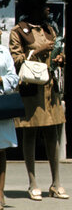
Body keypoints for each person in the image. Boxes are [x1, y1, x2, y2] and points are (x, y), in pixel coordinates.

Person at [8, 0, 68, 200]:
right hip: (32, 90)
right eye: (44, 6)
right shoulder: (19, 31)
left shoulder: (50, 29)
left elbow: (57, 52)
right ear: (34, 8)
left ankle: (56, 183)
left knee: (53, 134)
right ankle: (32, 183)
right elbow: (16, 61)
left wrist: (59, 59)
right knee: (30, 134)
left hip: (50, 90)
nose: (48, 9)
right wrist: (36, 53)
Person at [0, 44, 19, 208]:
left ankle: (0, 193)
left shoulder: (3, 51)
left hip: (1, 104)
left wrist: (1, 80)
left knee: (1, 150)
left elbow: (14, 77)